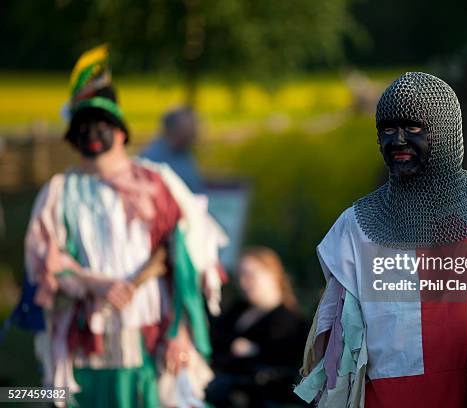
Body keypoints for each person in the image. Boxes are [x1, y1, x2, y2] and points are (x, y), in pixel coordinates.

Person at [294, 72, 467, 407]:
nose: (398, 139)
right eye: (387, 129)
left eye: (413, 127)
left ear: (445, 133)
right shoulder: (355, 229)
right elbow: (338, 353)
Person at [22, 45, 222, 407]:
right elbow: (45, 261)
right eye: (82, 126)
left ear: (121, 133)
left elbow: (186, 259)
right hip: (86, 341)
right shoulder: (58, 192)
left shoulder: (158, 182)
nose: (93, 133)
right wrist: (94, 283)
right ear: (72, 137)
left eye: (102, 124)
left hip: (151, 339)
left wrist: (181, 330)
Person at [207, 246, 307, 407]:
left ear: (273, 274)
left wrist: (253, 351)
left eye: (250, 275)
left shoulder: (290, 320)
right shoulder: (239, 308)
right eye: (240, 275)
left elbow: (283, 361)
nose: (243, 282)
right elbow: (214, 338)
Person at [140, 107, 206, 193]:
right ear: (173, 129)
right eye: (188, 128)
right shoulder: (151, 159)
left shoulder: (184, 153)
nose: (194, 133)